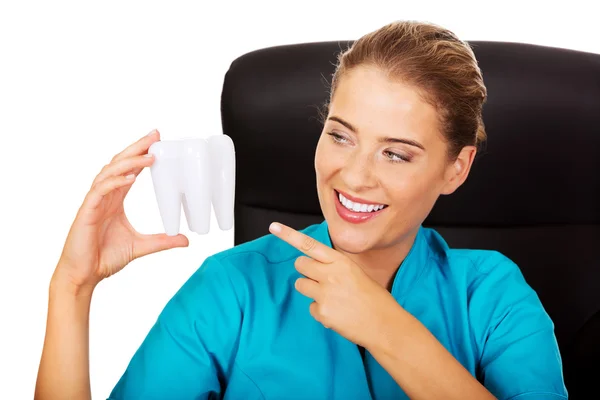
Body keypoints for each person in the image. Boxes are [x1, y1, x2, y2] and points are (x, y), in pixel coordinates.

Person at [35, 20, 568, 400]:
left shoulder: (493, 296)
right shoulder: (233, 287)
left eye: (395, 153)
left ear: (457, 168)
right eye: (340, 136)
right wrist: (73, 286)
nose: (354, 175)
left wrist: (385, 326)